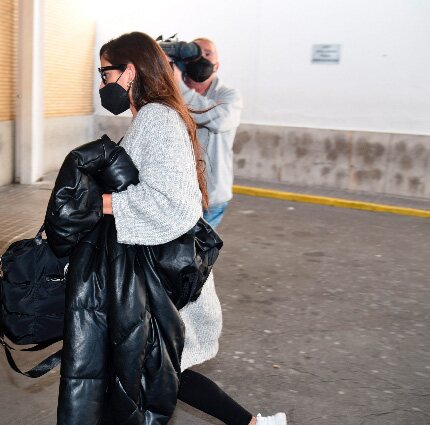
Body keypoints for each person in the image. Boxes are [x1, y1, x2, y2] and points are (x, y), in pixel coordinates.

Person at [98, 32, 285, 425]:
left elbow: (175, 205)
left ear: (129, 72)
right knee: (158, 368)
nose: (102, 83)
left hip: (162, 273)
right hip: (153, 268)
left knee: (157, 367)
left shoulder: (158, 118)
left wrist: (103, 204)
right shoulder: (153, 115)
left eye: (105, 72)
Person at [170, 37, 243, 229]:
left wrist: (178, 87)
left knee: (191, 255)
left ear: (216, 65)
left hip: (210, 198)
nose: (201, 58)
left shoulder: (228, 96)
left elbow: (217, 119)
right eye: (195, 52)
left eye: (207, 54)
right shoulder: (170, 93)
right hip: (176, 194)